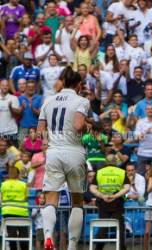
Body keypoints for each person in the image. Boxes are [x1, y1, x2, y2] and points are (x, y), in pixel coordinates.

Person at [36, 66, 91, 250]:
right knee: (77, 201)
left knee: (51, 199)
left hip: (53, 152)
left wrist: (51, 139)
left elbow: (39, 133)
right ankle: (72, 245)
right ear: (79, 85)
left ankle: (48, 237)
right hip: (74, 152)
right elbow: (78, 125)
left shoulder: (48, 101)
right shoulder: (82, 101)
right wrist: (88, 129)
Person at [90, 154, 130, 250]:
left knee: (103, 227)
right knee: (119, 228)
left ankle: (98, 249)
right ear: (116, 162)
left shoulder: (99, 172)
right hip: (117, 202)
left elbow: (92, 187)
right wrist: (115, 196)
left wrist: (102, 196)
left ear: (106, 162)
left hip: (103, 203)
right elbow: (127, 188)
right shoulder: (122, 172)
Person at [0, 167, 29, 250]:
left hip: (7, 211)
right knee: (23, 234)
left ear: (9, 174)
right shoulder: (22, 184)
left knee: (11, 234)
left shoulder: (4, 185)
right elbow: (27, 197)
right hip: (21, 211)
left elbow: (1, 197)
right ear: (18, 174)